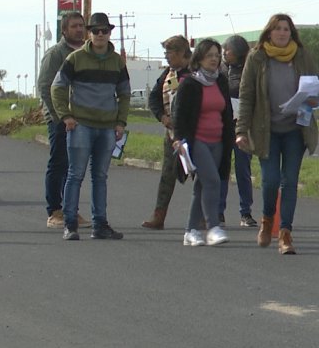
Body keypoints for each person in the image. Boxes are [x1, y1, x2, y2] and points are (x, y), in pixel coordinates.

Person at [235, 13, 319, 255]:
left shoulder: (302, 55)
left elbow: (315, 85)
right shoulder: (257, 57)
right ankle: (266, 220)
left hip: (295, 129)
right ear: (269, 32)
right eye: (278, 29)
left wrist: (313, 98)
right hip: (266, 131)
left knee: (290, 182)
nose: (283, 33)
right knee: (270, 180)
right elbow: (247, 96)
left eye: (287, 29)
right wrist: (241, 130)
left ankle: (285, 234)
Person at [51, 12, 131, 241]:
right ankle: (70, 224)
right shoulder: (75, 59)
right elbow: (57, 87)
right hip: (81, 126)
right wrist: (65, 116)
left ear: (109, 33)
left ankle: (100, 224)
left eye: (104, 31)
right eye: (95, 30)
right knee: (75, 175)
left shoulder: (116, 62)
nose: (100, 35)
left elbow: (124, 93)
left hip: (107, 127)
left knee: (100, 176)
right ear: (90, 33)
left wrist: (120, 122)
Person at [172, 39, 234, 246]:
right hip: (196, 140)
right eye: (210, 56)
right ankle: (213, 226)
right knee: (213, 181)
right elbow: (179, 115)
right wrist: (178, 140)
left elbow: (227, 112)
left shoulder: (221, 81)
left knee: (202, 185)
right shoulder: (190, 83)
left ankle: (191, 231)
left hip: (218, 141)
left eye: (217, 55)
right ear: (199, 59)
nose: (214, 59)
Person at [36, 11, 89, 229]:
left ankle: (71, 210)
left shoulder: (88, 52)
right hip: (59, 119)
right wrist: (59, 116)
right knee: (59, 163)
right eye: (74, 26)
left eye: (81, 26)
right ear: (64, 30)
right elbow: (45, 85)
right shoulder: (56, 53)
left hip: (81, 118)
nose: (79, 29)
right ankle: (54, 211)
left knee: (75, 167)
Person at [140, 35, 191, 230]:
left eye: (169, 53)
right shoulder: (167, 75)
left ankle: (207, 215)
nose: (167, 57)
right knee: (167, 175)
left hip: (193, 134)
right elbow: (154, 98)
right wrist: (162, 117)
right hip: (171, 134)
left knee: (200, 174)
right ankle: (159, 216)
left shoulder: (195, 73)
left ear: (180, 53)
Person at [218, 34, 257, 227]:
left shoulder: (249, 70)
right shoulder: (220, 69)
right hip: (222, 126)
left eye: (229, 50)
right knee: (222, 169)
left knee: (243, 169)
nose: (225, 53)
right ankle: (218, 211)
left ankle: (246, 212)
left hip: (242, 127)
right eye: (224, 49)